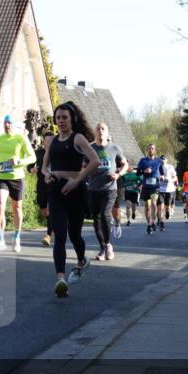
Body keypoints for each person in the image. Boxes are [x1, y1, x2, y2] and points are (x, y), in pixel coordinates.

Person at [41, 101, 101, 298]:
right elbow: (44, 166)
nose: (61, 121)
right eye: (58, 118)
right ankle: (60, 279)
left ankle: (82, 260)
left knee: (75, 235)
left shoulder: (78, 138)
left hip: (75, 191)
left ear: (72, 118)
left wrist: (77, 181)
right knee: (60, 234)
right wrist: (47, 174)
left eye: (65, 117)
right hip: (56, 190)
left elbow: (95, 161)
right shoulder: (53, 141)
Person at [0, 114, 36, 252]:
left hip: (17, 177)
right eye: (5, 123)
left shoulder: (21, 139)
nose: (7, 126)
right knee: (0, 205)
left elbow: (32, 157)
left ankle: (17, 237)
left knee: (17, 208)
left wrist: (20, 161)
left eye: (10, 123)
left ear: (14, 125)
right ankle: (1, 240)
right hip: (1, 176)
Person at [86, 122, 126, 261]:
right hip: (93, 188)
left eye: (103, 129)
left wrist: (118, 174)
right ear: (95, 132)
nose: (100, 131)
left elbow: (125, 165)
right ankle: (103, 247)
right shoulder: (90, 148)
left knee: (105, 215)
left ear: (107, 132)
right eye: (98, 129)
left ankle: (108, 244)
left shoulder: (114, 148)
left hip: (110, 188)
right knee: (96, 219)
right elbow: (84, 166)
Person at [136, 144, 164, 235]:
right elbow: (138, 173)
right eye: (149, 148)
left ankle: (152, 221)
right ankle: (149, 224)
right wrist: (144, 171)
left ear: (155, 150)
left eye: (152, 148)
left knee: (154, 203)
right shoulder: (143, 161)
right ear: (147, 150)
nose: (151, 149)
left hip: (155, 186)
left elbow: (162, 172)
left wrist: (162, 177)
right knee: (147, 206)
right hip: (146, 186)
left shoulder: (159, 161)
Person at [32, 140, 53, 247]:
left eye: (51, 139)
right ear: (44, 141)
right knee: (44, 211)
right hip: (41, 185)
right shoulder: (38, 153)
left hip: (53, 184)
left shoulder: (56, 151)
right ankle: (55, 224)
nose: (49, 141)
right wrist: (32, 169)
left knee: (51, 209)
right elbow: (30, 166)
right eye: (47, 139)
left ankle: (48, 235)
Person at [158, 154, 178, 228]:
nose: (163, 160)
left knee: (167, 206)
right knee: (160, 207)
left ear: (166, 160)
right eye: (161, 159)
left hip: (169, 189)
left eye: (164, 159)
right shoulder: (158, 167)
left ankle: (167, 211)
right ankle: (161, 222)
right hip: (160, 190)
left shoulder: (170, 167)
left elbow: (175, 177)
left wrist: (170, 180)